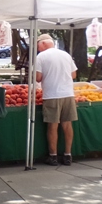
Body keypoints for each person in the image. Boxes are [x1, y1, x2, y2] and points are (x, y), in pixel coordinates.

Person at [35, 34, 78, 166]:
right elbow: (74, 74)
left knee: (52, 126)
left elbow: (38, 77)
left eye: (38, 45)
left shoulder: (41, 57)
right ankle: (68, 155)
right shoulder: (65, 55)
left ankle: (53, 156)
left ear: (42, 44)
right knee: (67, 124)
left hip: (51, 95)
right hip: (68, 94)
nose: (37, 48)